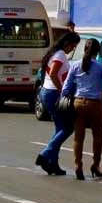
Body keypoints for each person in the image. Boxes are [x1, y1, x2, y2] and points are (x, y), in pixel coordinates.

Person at [62, 37, 102, 180]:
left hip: (78, 103)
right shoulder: (100, 66)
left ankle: (78, 165)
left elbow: (66, 87)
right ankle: (95, 165)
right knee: (97, 137)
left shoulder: (75, 65)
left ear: (85, 49)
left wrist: (64, 97)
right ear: (97, 51)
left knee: (78, 138)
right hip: (95, 104)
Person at [35, 29, 80, 176]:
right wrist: (62, 91)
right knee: (68, 128)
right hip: (53, 93)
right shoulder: (60, 55)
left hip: (47, 91)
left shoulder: (54, 53)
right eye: (73, 46)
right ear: (67, 43)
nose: (73, 49)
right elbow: (54, 73)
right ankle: (45, 154)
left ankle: (53, 163)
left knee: (59, 128)